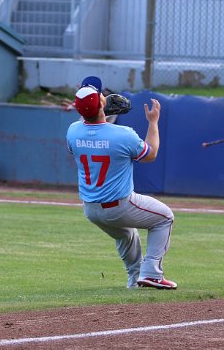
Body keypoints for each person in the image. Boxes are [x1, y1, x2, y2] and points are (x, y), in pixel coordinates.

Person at [65, 79, 177, 290]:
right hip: (119, 205)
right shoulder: (123, 134)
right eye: (100, 96)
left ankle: (135, 281)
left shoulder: (73, 131)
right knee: (164, 218)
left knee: (126, 235)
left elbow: (90, 128)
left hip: (91, 209)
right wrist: (153, 121)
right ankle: (152, 273)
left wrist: (97, 111)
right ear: (101, 104)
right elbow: (151, 154)